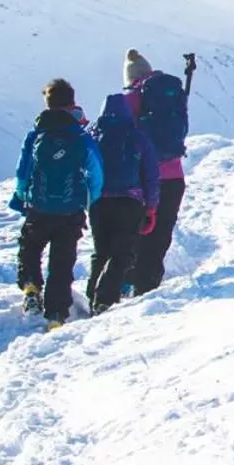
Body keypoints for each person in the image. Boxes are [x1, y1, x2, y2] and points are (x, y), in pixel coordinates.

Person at [10, 78, 103, 329]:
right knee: (62, 261)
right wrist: (89, 200)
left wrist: (23, 194)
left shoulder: (36, 134)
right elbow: (96, 172)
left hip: (39, 207)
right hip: (70, 210)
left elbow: (23, 169)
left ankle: (31, 287)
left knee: (30, 248)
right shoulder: (80, 136)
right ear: (72, 103)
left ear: (47, 104)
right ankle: (56, 315)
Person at [121, 49, 193, 296]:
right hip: (174, 177)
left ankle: (127, 280)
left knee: (136, 230)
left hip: (141, 178)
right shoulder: (172, 95)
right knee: (161, 231)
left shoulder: (129, 99)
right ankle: (149, 285)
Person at [86, 90, 160, 314]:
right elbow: (150, 175)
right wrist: (151, 206)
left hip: (98, 201)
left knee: (101, 250)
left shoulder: (92, 136)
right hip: (130, 202)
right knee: (123, 253)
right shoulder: (138, 137)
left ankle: (92, 294)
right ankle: (104, 299)